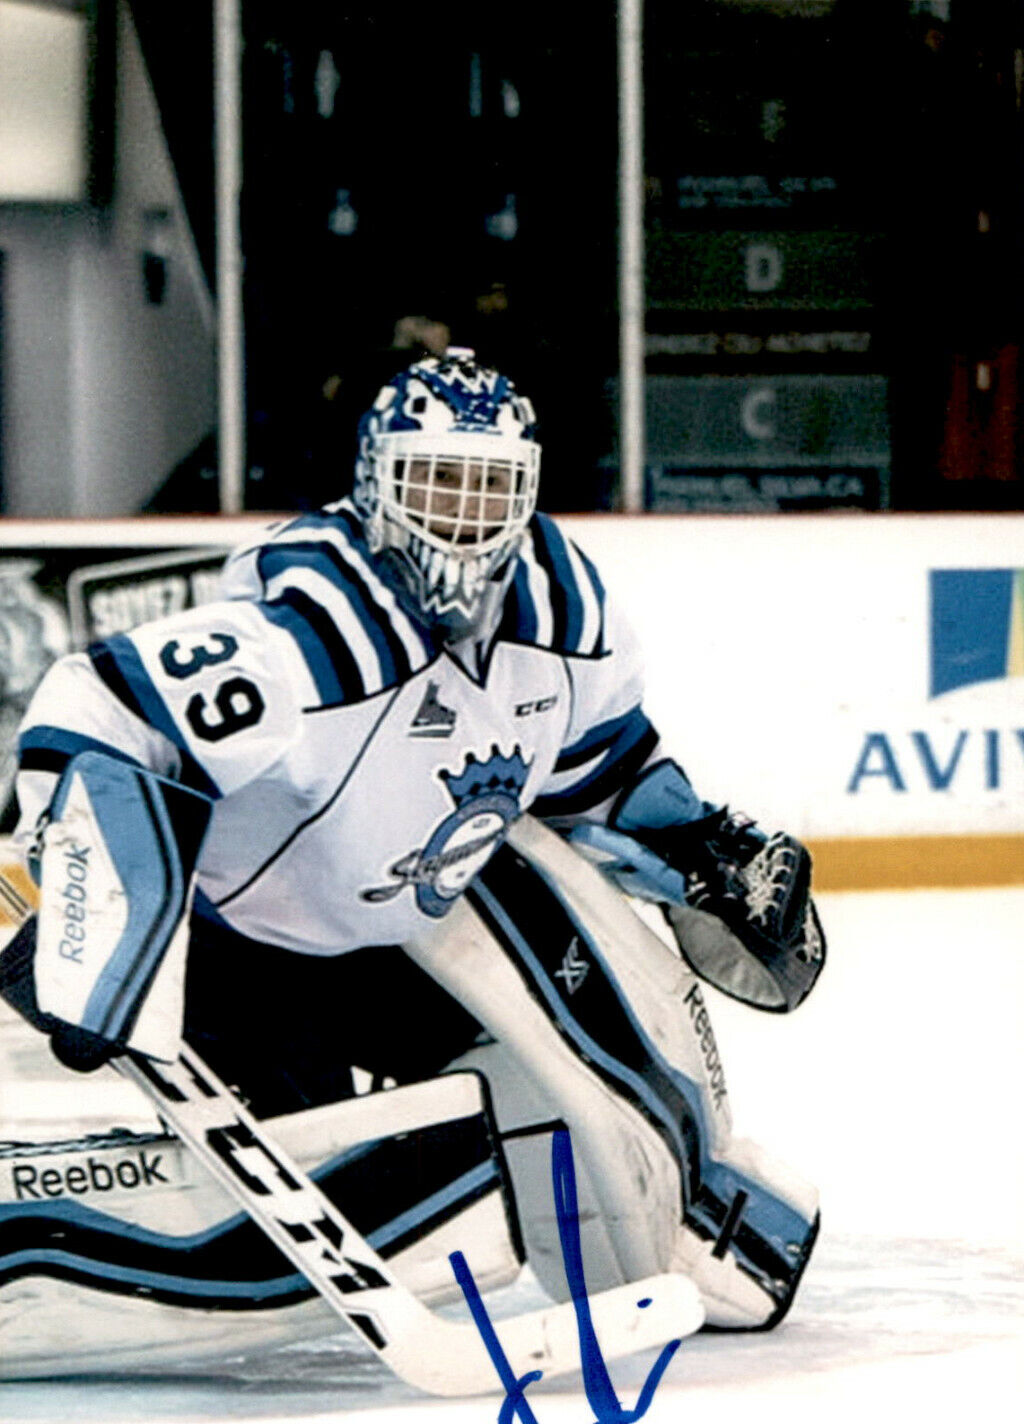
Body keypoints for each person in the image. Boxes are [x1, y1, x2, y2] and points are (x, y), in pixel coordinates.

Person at [1, 351, 824, 1338]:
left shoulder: (564, 618)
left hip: (404, 941)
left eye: (490, 488)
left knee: (586, 1055)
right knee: (306, 1233)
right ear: (376, 484)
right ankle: (35, 1245)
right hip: (234, 957)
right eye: (436, 482)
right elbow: (98, 706)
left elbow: (597, 779)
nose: (464, 519)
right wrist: (99, 920)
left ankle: (693, 1202)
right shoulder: (322, 630)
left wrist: (698, 844)